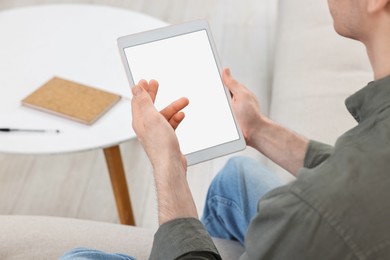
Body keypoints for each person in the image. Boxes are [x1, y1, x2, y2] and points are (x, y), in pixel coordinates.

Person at [61, 0, 390, 258]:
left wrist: (168, 165)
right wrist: (258, 129)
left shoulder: (309, 210)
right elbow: (358, 177)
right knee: (237, 176)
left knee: (77, 257)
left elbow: (338, 198)